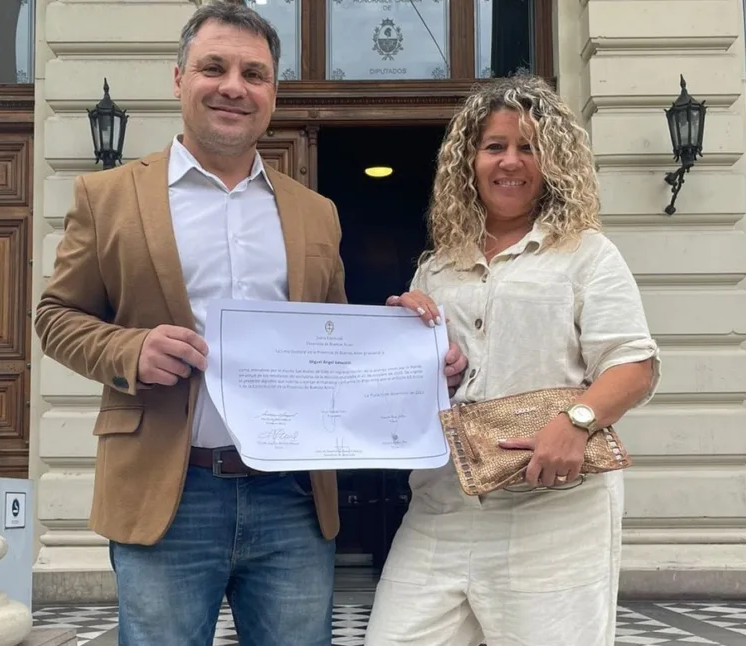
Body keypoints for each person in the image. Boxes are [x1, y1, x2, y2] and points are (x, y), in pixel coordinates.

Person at [34, 3, 467, 645]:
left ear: (272, 92)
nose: (233, 87)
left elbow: (332, 341)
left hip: (291, 497)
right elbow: (55, 316)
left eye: (254, 73)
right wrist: (129, 349)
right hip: (167, 489)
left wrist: (408, 355)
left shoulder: (315, 212)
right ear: (178, 79)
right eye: (214, 68)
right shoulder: (109, 197)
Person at [367, 74, 662, 646]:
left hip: (554, 509)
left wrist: (576, 422)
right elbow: (428, 383)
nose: (510, 161)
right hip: (443, 503)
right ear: (469, 161)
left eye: (529, 147)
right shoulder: (438, 265)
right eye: (494, 146)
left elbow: (634, 364)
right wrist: (410, 343)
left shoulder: (587, 254)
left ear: (552, 162)